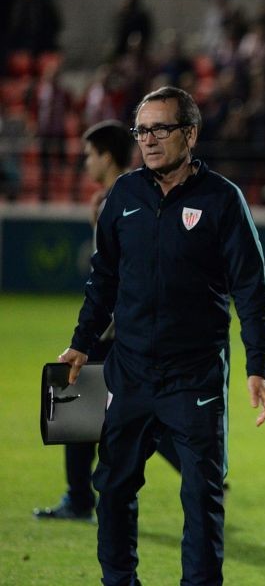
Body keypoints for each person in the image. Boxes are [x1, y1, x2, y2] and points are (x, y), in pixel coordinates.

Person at [57, 86, 265, 586]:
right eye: (142, 130)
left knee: (201, 496)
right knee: (112, 490)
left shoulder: (223, 200)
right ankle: (119, 580)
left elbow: (251, 289)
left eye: (161, 129)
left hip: (194, 379)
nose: (149, 140)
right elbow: (103, 281)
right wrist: (82, 341)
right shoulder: (123, 197)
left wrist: (257, 365)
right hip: (128, 374)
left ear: (190, 133)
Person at [33, 120, 183, 523]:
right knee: (136, 408)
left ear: (106, 156)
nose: (84, 162)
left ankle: (80, 499)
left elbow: (110, 275)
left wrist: (94, 331)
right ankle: (198, 463)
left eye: (89, 155)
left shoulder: (110, 201)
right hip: (141, 326)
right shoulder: (149, 193)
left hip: (115, 329)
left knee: (79, 406)